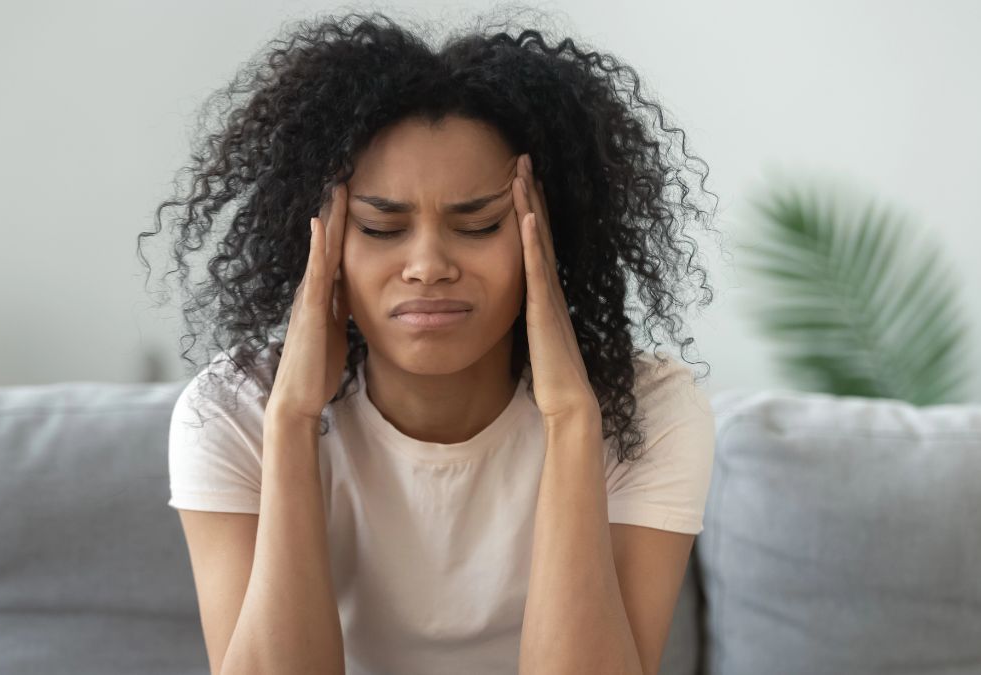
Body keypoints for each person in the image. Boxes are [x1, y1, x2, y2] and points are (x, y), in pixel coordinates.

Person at [139, 9, 721, 675]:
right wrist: (293, 420)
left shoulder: (646, 409)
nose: (428, 264)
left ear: (551, 234)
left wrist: (571, 421)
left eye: (478, 225)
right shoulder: (231, 413)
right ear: (319, 242)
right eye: (381, 228)